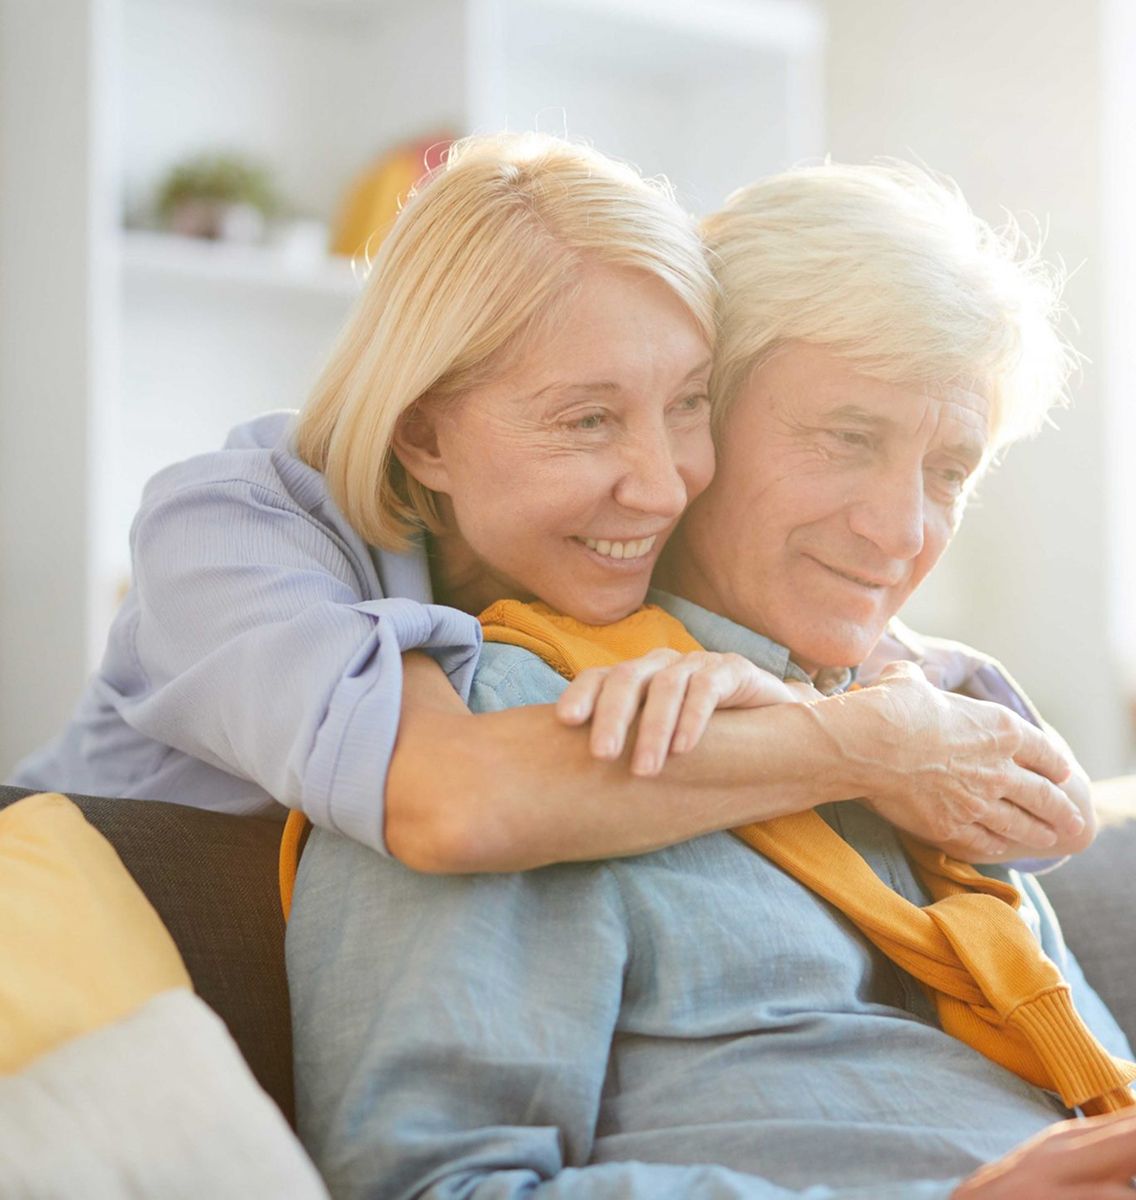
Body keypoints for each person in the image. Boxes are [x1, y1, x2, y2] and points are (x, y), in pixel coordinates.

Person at [285, 161, 1135, 1199]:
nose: (900, 530)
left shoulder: (932, 746)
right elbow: (430, 1185)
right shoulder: (508, 724)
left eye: (945, 469)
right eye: (846, 439)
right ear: (698, 421)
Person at [6, 133, 1084, 871]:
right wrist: (866, 745)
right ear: (423, 432)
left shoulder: (617, 547)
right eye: (585, 419)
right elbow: (448, 799)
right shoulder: (232, 527)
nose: (662, 483)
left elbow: (1037, 808)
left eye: (687, 405)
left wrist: (886, 712)